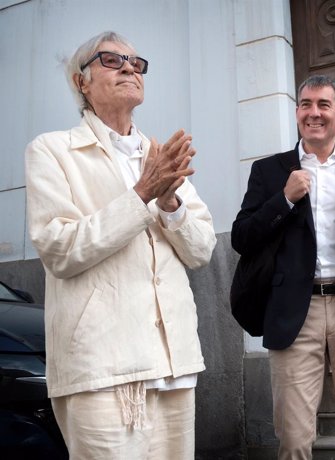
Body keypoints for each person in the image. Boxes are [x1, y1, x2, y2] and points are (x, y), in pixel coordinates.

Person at [24, 31, 216, 458]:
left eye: (136, 62)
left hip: (174, 365)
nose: (130, 67)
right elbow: (59, 249)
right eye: (112, 60)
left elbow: (201, 251)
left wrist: (169, 204)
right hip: (101, 368)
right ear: (81, 82)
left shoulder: (161, 155)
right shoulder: (53, 151)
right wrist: (142, 193)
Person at [231, 75, 335, 459]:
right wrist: (284, 199)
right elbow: (241, 238)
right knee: (293, 440)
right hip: (296, 309)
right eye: (306, 104)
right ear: (296, 113)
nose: (314, 113)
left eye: (323, 105)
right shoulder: (269, 171)